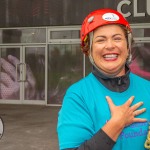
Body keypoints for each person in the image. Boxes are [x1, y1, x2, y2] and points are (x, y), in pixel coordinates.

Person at [57, 8, 150, 150]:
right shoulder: (77, 96)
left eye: (117, 38)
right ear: (89, 49)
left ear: (128, 46)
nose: (110, 45)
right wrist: (116, 124)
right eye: (101, 40)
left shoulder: (147, 88)